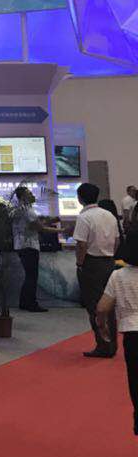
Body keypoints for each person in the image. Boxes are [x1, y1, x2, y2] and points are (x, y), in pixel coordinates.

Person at [95, 231, 138, 436]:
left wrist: (103, 327)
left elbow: (102, 308)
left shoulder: (118, 276)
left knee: (136, 385)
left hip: (133, 337)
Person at [73, 182, 120, 358]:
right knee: (109, 305)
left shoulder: (84, 217)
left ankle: (103, 344)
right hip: (109, 262)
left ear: (80, 198)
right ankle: (112, 344)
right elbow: (117, 241)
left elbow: (81, 245)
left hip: (91, 264)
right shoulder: (109, 215)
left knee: (94, 306)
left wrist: (80, 264)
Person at [12, 186, 61, 312]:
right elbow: (40, 228)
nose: (32, 194)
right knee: (32, 276)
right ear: (23, 196)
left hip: (21, 245)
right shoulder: (28, 211)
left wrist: (49, 221)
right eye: (29, 193)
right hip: (29, 246)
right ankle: (31, 303)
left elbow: (34, 225)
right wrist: (61, 230)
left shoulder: (20, 210)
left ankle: (24, 302)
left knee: (29, 275)